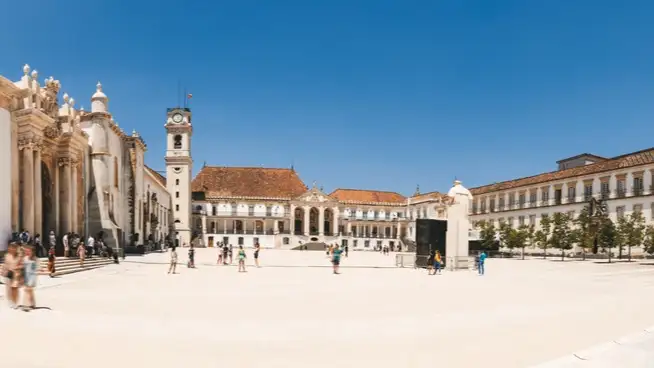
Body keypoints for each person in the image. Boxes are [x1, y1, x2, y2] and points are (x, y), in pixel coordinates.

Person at [2, 242, 22, 309]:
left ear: (16, 248)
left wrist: (18, 268)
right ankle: (11, 301)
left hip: (16, 275)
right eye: (11, 247)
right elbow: (5, 264)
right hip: (8, 274)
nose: (13, 249)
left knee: (15, 289)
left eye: (14, 247)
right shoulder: (7, 255)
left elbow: (22, 265)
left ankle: (15, 302)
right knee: (8, 289)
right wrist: (3, 271)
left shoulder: (19, 256)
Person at [22, 246, 39, 311]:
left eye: (29, 251)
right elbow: (23, 268)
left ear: (32, 252)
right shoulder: (25, 258)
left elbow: (34, 269)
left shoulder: (35, 259)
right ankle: (33, 304)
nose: (27, 252)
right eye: (27, 251)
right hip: (26, 276)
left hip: (32, 277)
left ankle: (25, 305)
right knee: (30, 291)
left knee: (27, 290)